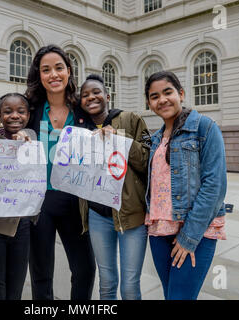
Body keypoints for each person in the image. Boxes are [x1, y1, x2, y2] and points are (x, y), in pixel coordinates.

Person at [144, 71, 227, 300]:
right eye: (154, 96)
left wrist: (188, 237)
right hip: (159, 230)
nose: (162, 100)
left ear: (181, 93)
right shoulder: (155, 139)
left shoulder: (205, 128)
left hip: (194, 231)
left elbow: (215, 186)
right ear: (149, 104)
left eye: (167, 92)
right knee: (170, 294)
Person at [25, 44, 95, 300]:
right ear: (39, 75)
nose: (53, 74)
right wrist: (11, 135)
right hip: (38, 201)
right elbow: (5, 130)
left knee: (85, 268)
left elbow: (107, 123)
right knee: (41, 271)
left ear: (68, 71)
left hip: (74, 200)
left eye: (58, 68)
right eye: (46, 70)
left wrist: (107, 131)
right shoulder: (30, 111)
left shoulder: (83, 111)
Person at [78, 74, 150, 300]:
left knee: (129, 286)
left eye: (96, 92)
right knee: (107, 283)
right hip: (97, 215)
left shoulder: (130, 119)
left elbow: (147, 161)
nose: (91, 97)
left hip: (130, 215)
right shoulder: (79, 130)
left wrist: (119, 138)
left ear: (107, 96)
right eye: (85, 95)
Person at [0, 92, 34, 300]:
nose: (15, 116)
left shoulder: (32, 140)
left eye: (20, 111)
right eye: (8, 111)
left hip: (21, 225)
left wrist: (25, 144)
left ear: (28, 115)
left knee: (16, 285)